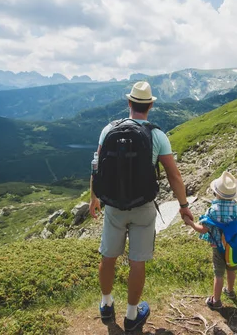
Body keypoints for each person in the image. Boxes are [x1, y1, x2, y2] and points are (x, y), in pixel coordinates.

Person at [89, 81, 193, 332]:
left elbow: (97, 166)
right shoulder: (157, 135)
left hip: (113, 206)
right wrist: (183, 205)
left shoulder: (108, 130)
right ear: (151, 105)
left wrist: (94, 198)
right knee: (137, 262)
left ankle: (105, 304)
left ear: (129, 103)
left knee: (108, 256)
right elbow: (173, 175)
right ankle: (133, 315)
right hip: (144, 207)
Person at [183, 171, 237, 309]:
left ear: (216, 193)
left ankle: (216, 301)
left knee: (218, 273)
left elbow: (203, 229)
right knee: (231, 268)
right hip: (233, 246)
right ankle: (230, 291)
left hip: (218, 247)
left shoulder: (212, 210)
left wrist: (191, 223)